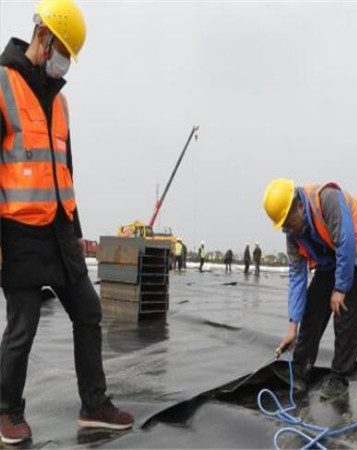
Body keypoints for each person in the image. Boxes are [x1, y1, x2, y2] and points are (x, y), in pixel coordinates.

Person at [0, 1, 134, 444]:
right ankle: (6, 412)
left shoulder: (61, 104)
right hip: (17, 232)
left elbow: (65, 171)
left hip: (60, 231)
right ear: (43, 37)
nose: (65, 63)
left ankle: (93, 405)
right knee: (23, 327)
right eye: (63, 52)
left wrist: (76, 235)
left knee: (88, 312)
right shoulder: (2, 85)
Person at [263, 179, 357, 401]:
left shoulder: (327, 199)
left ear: (299, 206)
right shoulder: (293, 235)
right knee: (313, 307)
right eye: (283, 227)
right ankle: (299, 370)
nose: (288, 230)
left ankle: (339, 377)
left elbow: (345, 243)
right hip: (333, 258)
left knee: (344, 311)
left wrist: (340, 288)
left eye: (289, 222)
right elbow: (297, 278)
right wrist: (293, 325)